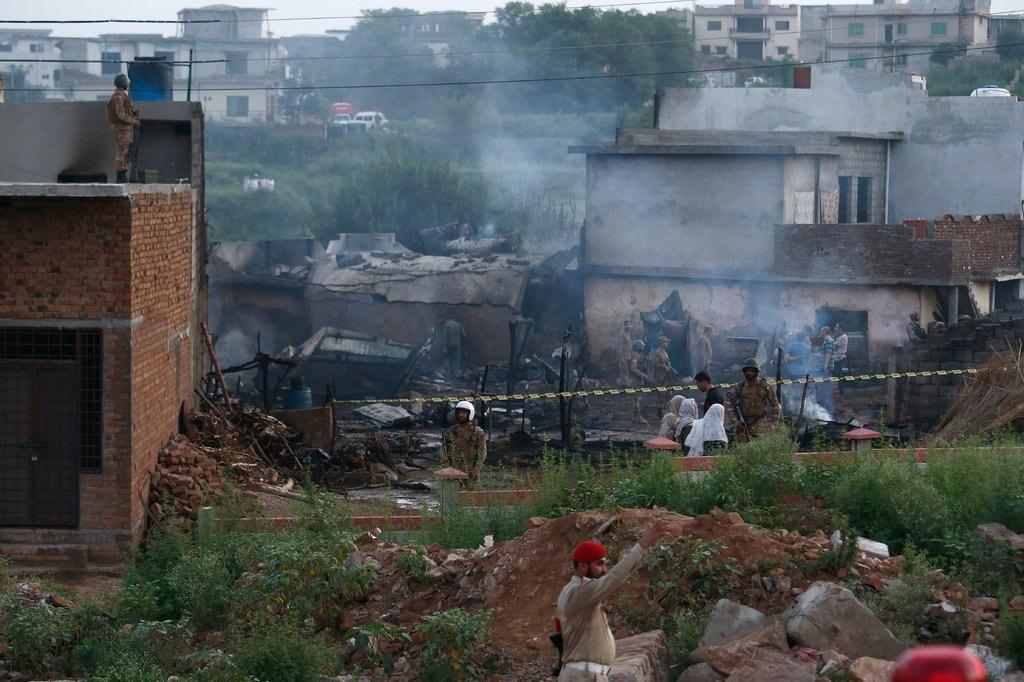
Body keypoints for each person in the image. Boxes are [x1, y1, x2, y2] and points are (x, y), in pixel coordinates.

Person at [556, 522, 673, 681]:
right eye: (599, 564)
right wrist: (642, 545)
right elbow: (614, 578)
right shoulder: (580, 592)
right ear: (582, 567)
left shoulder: (574, 591)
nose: (604, 570)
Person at [726, 358, 782, 442]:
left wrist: (773, 424)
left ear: (756, 372)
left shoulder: (764, 386)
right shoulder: (740, 386)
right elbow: (728, 402)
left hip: (761, 424)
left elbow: (775, 405)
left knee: (761, 450)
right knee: (743, 450)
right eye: (747, 371)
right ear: (744, 372)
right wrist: (735, 422)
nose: (750, 373)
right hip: (743, 425)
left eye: (752, 371)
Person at [106, 74, 140, 183]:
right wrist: (133, 121)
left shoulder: (122, 96)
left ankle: (123, 174)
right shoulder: (118, 97)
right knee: (122, 152)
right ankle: (120, 176)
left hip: (125, 129)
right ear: (123, 83)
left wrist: (134, 114)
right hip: (122, 129)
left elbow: (125, 112)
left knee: (126, 152)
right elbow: (120, 115)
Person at [445, 400, 486, 482]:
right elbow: (446, 450)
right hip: (454, 470)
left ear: (470, 414)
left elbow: (482, 452)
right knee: (453, 493)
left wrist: (476, 469)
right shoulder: (451, 431)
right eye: (459, 412)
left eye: (464, 413)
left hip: (471, 471)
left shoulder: (477, 432)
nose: (461, 415)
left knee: (471, 494)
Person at [627, 340, 648, 424]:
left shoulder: (636, 355)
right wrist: (642, 375)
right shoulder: (635, 356)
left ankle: (635, 417)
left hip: (637, 380)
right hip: (635, 380)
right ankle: (638, 417)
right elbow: (633, 369)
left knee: (636, 399)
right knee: (637, 399)